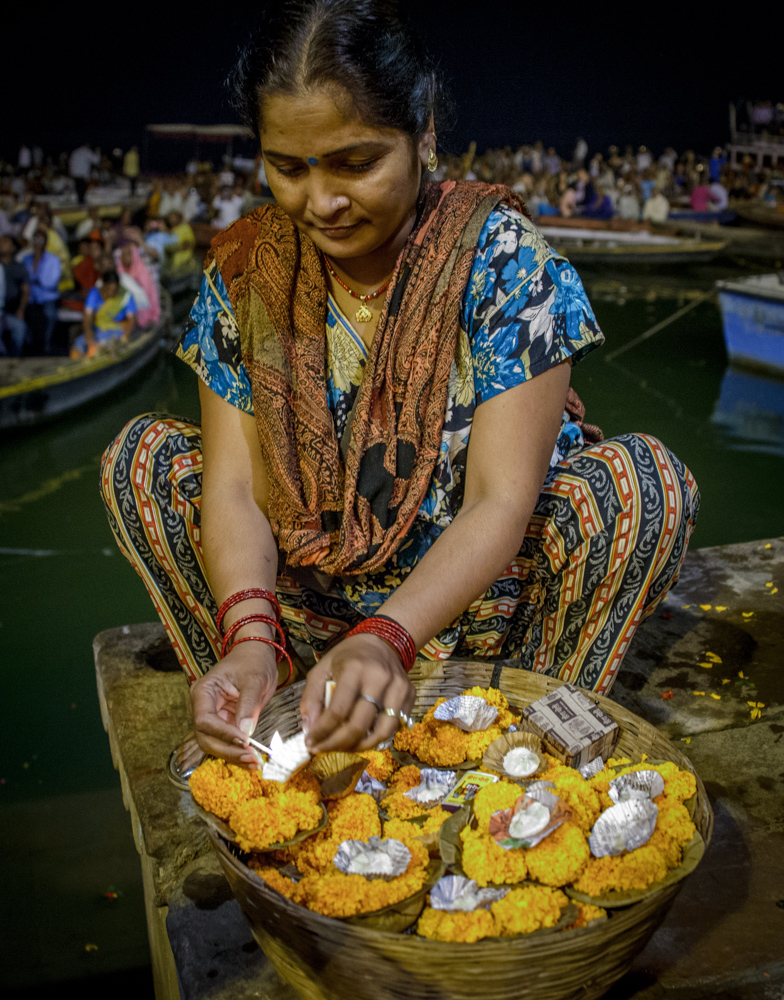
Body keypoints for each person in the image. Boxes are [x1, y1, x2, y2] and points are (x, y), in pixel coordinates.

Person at [101, 0, 699, 776]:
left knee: (637, 486)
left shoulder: (502, 260)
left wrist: (386, 639)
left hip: (475, 617)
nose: (320, 201)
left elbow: (499, 501)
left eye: (355, 163)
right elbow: (236, 488)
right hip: (306, 613)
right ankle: (262, 699)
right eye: (289, 167)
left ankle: (512, 735)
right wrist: (251, 635)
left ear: (424, 138)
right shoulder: (247, 272)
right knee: (143, 459)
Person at [71, 269, 136, 358]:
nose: (112, 292)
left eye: (115, 289)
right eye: (109, 289)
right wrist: (89, 334)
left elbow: (131, 320)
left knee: (101, 347)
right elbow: (87, 318)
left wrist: (125, 337)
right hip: (97, 329)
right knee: (79, 344)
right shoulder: (94, 293)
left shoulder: (126, 296)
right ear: (104, 286)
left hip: (116, 331)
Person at [23, 228, 61, 354]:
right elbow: (24, 281)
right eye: (35, 239)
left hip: (48, 298)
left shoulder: (53, 260)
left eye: (40, 239)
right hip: (31, 298)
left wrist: (36, 279)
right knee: (25, 315)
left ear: (45, 242)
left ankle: (47, 346)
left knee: (49, 315)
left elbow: (51, 283)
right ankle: (30, 348)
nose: (37, 242)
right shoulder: (26, 259)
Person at [116, 243, 160, 327]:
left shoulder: (143, 274)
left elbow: (148, 299)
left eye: (129, 253)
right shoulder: (119, 275)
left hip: (145, 315)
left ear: (134, 254)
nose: (125, 257)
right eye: (123, 254)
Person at [0, 235, 30, 356]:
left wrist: (21, 309)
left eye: (5, 242)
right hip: (1, 311)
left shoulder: (19, 267)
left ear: (13, 247)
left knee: (20, 328)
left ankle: (14, 358)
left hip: (12, 310)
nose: (1, 244)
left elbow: (26, 291)